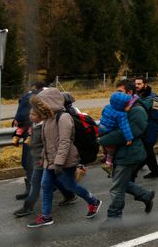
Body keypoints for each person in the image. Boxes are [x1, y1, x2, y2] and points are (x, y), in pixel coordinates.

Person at [27, 88, 102, 228]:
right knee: (46, 186)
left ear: (50, 102)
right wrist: (44, 158)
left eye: (41, 104)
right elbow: (47, 142)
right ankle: (46, 216)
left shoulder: (64, 117)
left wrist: (59, 163)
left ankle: (93, 201)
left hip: (65, 161)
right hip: (50, 161)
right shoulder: (48, 118)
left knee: (70, 185)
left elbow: (64, 142)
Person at [99, 79, 155, 220]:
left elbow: (124, 134)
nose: (116, 95)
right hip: (121, 152)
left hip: (129, 153)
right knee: (121, 182)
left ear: (129, 93)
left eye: (120, 91)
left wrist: (102, 140)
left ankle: (114, 217)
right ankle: (145, 195)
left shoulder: (137, 110)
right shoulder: (121, 108)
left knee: (117, 187)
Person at [13, 107, 74, 217]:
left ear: (41, 116)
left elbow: (47, 144)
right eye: (30, 114)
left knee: (35, 183)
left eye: (33, 115)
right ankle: (69, 195)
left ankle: (28, 207)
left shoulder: (43, 127)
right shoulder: (34, 125)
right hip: (38, 159)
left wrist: (42, 158)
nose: (30, 116)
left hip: (42, 160)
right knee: (54, 179)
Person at [12, 82, 46, 201]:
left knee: (32, 163)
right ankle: (31, 191)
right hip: (31, 135)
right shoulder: (37, 97)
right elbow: (21, 117)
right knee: (30, 163)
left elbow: (19, 117)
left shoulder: (29, 97)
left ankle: (32, 194)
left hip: (36, 137)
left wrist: (17, 120)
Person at [98, 92, 134, 176]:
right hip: (109, 130)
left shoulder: (107, 107)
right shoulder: (121, 114)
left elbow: (103, 114)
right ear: (121, 105)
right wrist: (129, 138)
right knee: (112, 149)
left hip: (101, 127)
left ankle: (104, 154)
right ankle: (108, 164)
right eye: (127, 104)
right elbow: (125, 127)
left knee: (104, 143)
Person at [135, 77, 158, 179]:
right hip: (143, 128)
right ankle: (155, 171)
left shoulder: (151, 97)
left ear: (145, 84)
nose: (137, 86)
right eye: (136, 84)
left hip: (150, 128)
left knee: (147, 150)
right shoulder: (139, 95)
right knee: (147, 151)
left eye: (139, 84)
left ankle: (134, 170)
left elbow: (142, 108)